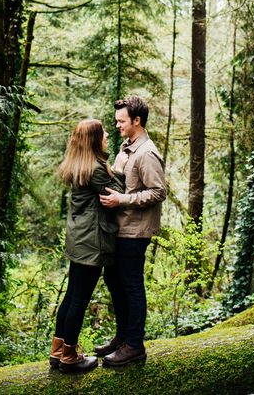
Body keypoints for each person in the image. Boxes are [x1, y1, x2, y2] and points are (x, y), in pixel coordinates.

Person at [49, 118, 125, 374]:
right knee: (79, 300)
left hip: (78, 239)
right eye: (102, 132)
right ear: (94, 139)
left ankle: (58, 350)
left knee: (71, 296)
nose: (106, 134)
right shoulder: (96, 169)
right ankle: (70, 357)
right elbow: (119, 191)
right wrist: (121, 167)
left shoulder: (80, 164)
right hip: (91, 243)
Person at [97, 95, 166, 366]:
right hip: (120, 228)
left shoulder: (147, 152)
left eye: (121, 121)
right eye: (116, 121)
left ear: (137, 120)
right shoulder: (127, 147)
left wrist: (121, 200)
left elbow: (158, 192)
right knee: (113, 281)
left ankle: (135, 346)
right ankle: (122, 338)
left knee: (132, 286)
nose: (117, 126)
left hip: (135, 232)